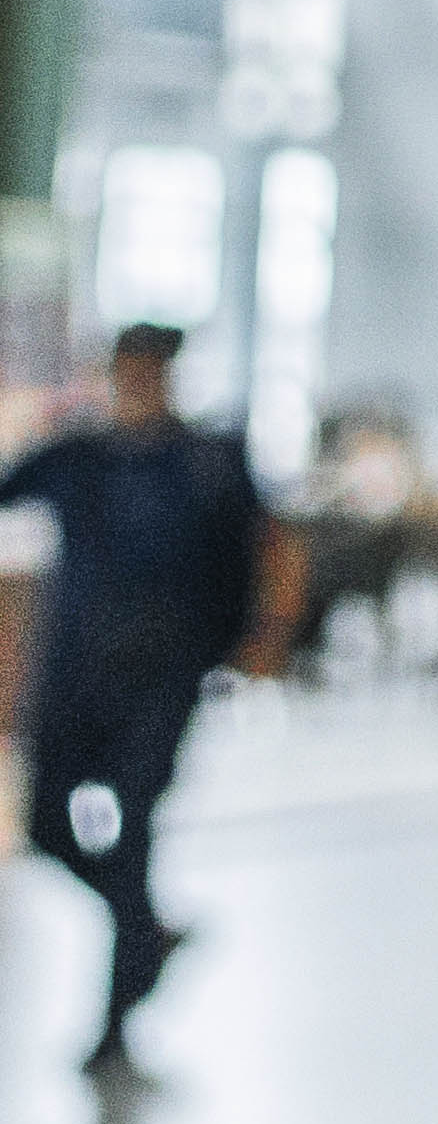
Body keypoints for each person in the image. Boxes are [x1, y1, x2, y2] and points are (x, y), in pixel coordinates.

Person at [4, 323, 289, 1081]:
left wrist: (259, 644)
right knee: (47, 828)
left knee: (131, 841)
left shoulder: (206, 465)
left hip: (160, 681)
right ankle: (146, 934)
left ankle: (114, 1023)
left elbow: (264, 552)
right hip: (70, 680)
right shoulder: (78, 456)